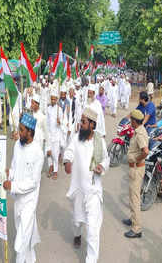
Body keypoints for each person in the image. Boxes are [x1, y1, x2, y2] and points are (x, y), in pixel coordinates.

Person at [63, 107, 110, 262]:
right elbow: (69, 151)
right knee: (77, 220)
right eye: (81, 121)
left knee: (93, 230)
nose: (80, 124)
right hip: (78, 189)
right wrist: (67, 161)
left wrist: (102, 166)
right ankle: (77, 235)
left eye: (83, 122)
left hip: (93, 191)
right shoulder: (76, 138)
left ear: (92, 125)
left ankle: (91, 259)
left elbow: (106, 158)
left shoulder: (100, 141)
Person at [3, 114, 43, 263]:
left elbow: (33, 182)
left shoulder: (38, 153)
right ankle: (31, 259)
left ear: (30, 132)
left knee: (21, 239)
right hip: (17, 200)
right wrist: (9, 174)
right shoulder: (17, 145)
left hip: (29, 202)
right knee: (25, 233)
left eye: (21, 130)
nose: (18, 133)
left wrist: (13, 186)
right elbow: (14, 167)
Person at [122, 109, 149, 239]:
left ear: (134, 121)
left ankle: (137, 228)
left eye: (131, 119)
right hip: (136, 168)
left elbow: (145, 151)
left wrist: (136, 159)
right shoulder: (140, 130)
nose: (130, 121)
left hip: (137, 168)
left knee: (135, 198)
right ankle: (133, 219)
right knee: (133, 195)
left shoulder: (139, 134)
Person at [46, 90, 64, 179]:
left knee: (55, 153)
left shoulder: (59, 110)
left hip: (56, 135)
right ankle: (50, 167)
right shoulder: (48, 109)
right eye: (51, 99)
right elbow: (46, 122)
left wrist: (59, 122)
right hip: (49, 134)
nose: (53, 101)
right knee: (48, 153)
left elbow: (62, 123)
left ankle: (55, 171)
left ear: (57, 99)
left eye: (54, 99)